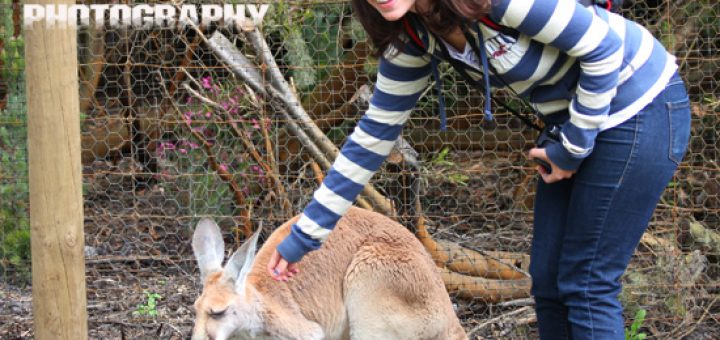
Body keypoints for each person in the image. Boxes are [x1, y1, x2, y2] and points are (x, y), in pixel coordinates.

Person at [266, 0, 691, 339]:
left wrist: (572, 148)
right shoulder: (414, 36)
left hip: (642, 106)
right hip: (574, 127)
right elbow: (369, 141)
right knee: (547, 282)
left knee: (586, 283)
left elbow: (603, 47)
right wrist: (303, 239)